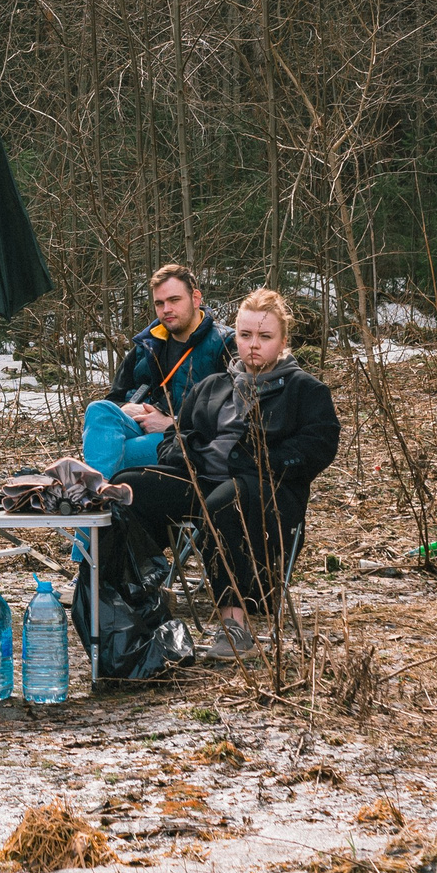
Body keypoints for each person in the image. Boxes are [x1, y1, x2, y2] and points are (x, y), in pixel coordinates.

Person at [110, 288, 338, 657]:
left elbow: (318, 448)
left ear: (282, 340)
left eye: (265, 337)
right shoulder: (213, 386)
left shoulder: (304, 390)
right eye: (245, 335)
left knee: (222, 502)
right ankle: (135, 601)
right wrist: (189, 455)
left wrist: (258, 460)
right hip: (202, 482)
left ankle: (235, 626)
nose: (252, 345)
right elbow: (174, 438)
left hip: (266, 493)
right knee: (127, 487)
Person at [82, 264, 232, 478]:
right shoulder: (147, 345)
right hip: (138, 427)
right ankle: (100, 491)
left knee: (112, 454)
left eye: (174, 300)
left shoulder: (223, 344)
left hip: (184, 440)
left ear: (196, 298)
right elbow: (114, 397)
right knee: (98, 410)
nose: (166, 309)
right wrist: (127, 407)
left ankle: (96, 496)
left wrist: (172, 424)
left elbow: (231, 414)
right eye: (159, 303)